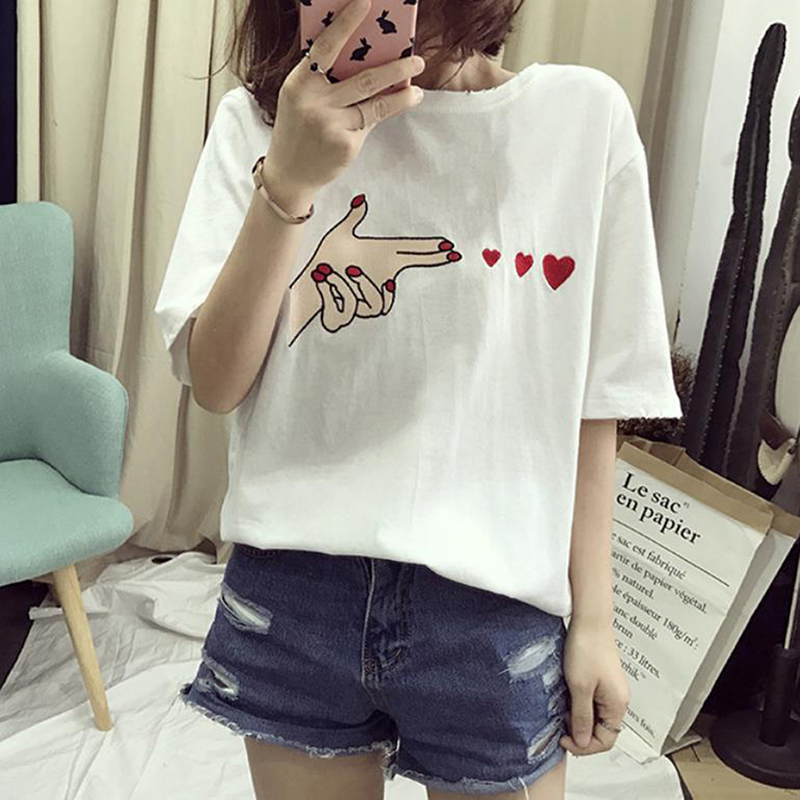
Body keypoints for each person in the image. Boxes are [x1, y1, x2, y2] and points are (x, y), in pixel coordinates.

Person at [154, 0, 683, 797]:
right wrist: (288, 183)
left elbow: (593, 400)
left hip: (495, 599)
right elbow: (217, 382)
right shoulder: (261, 123)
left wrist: (596, 623)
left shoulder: (582, 118)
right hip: (297, 588)